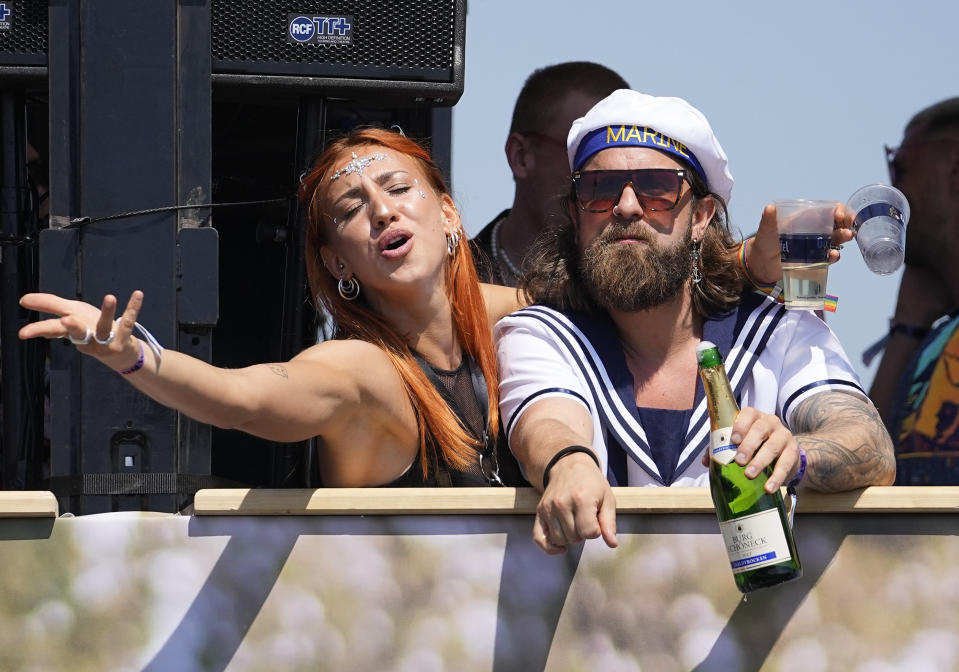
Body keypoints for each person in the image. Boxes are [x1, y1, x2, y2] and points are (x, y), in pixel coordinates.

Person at [495, 90, 896, 554]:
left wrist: (797, 455)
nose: (626, 206)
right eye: (599, 189)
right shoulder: (543, 334)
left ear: (701, 216)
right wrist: (568, 463)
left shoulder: (781, 329)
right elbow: (547, 423)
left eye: (657, 188)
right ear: (575, 212)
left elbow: (870, 445)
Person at [19, 127, 528, 488]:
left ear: (448, 214)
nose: (382, 209)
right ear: (336, 263)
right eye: (351, 209)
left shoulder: (514, 315)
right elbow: (241, 397)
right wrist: (134, 357)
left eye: (398, 188)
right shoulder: (360, 371)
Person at [471, 62, 630, 286]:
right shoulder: (444, 282)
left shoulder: (634, 295)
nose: (610, 181)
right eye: (583, 152)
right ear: (521, 156)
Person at [868, 97, 959, 485]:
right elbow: (867, 466)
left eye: (900, 166)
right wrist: (907, 328)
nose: (894, 191)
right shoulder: (935, 340)